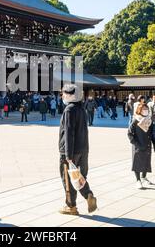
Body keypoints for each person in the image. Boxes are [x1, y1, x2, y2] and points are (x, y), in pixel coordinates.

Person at [58, 84, 97, 215]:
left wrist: (68, 155)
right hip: (83, 149)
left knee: (68, 179)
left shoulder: (69, 110)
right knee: (78, 176)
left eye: (64, 94)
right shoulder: (81, 109)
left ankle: (71, 206)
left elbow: (69, 133)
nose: (62, 96)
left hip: (70, 151)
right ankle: (88, 194)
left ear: (70, 95)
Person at [128, 102, 154, 190]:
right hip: (138, 145)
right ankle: (138, 180)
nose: (146, 111)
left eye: (147, 109)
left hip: (147, 144)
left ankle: (144, 177)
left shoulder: (149, 120)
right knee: (137, 163)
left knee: (146, 161)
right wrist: (136, 143)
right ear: (139, 110)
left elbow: (152, 133)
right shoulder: (135, 120)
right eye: (144, 109)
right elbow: (130, 134)